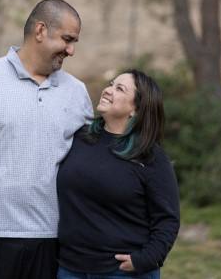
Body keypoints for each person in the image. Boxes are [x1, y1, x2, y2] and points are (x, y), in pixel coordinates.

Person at [0, 0, 93, 279]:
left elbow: (90, 165)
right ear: (40, 30)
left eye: (74, 43)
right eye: (67, 39)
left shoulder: (77, 93)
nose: (71, 50)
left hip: (54, 238)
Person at [57, 69, 180, 279]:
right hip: (70, 268)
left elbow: (167, 219)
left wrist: (146, 259)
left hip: (120, 272)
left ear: (136, 109)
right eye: (111, 84)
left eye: (119, 88)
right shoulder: (80, 138)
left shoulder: (150, 157)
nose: (107, 90)